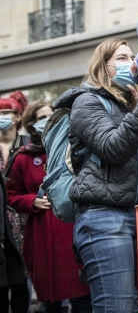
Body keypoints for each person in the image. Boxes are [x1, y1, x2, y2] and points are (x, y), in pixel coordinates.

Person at [52, 38, 138, 312]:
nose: (132, 62)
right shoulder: (86, 102)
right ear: (103, 67)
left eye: (133, 56)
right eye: (122, 58)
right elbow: (114, 148)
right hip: (105, 218)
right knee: (118, 306)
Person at [6, 100, 92, 312]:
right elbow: (10, 195)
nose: (47, 121)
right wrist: (31, 201)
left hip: (74, 227)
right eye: (40, 118)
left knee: (83, 297)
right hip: (43, 235)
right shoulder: (23, 158)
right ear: (30, 124)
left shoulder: (72, 146)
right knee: (52, 301)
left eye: (49, 116)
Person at [0, 91, 30, 311]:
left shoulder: (26, 145)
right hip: (2, 223)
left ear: (17, 116)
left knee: (22, 277)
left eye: (7, 112)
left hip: (22, 220)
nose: (2, 116)